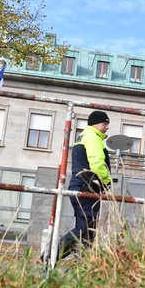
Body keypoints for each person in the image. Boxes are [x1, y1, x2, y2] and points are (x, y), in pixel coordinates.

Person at [57, 110, 112, 261]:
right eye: (105, 123)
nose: (107, 127)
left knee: (87, 231)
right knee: (85, 230)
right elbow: (97, 163)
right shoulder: (92, 137)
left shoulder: (83, 137)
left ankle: (84, 263)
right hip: (86, 187)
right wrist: (107, 181)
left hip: (80, 186)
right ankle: (51, 255)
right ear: (96, 123)